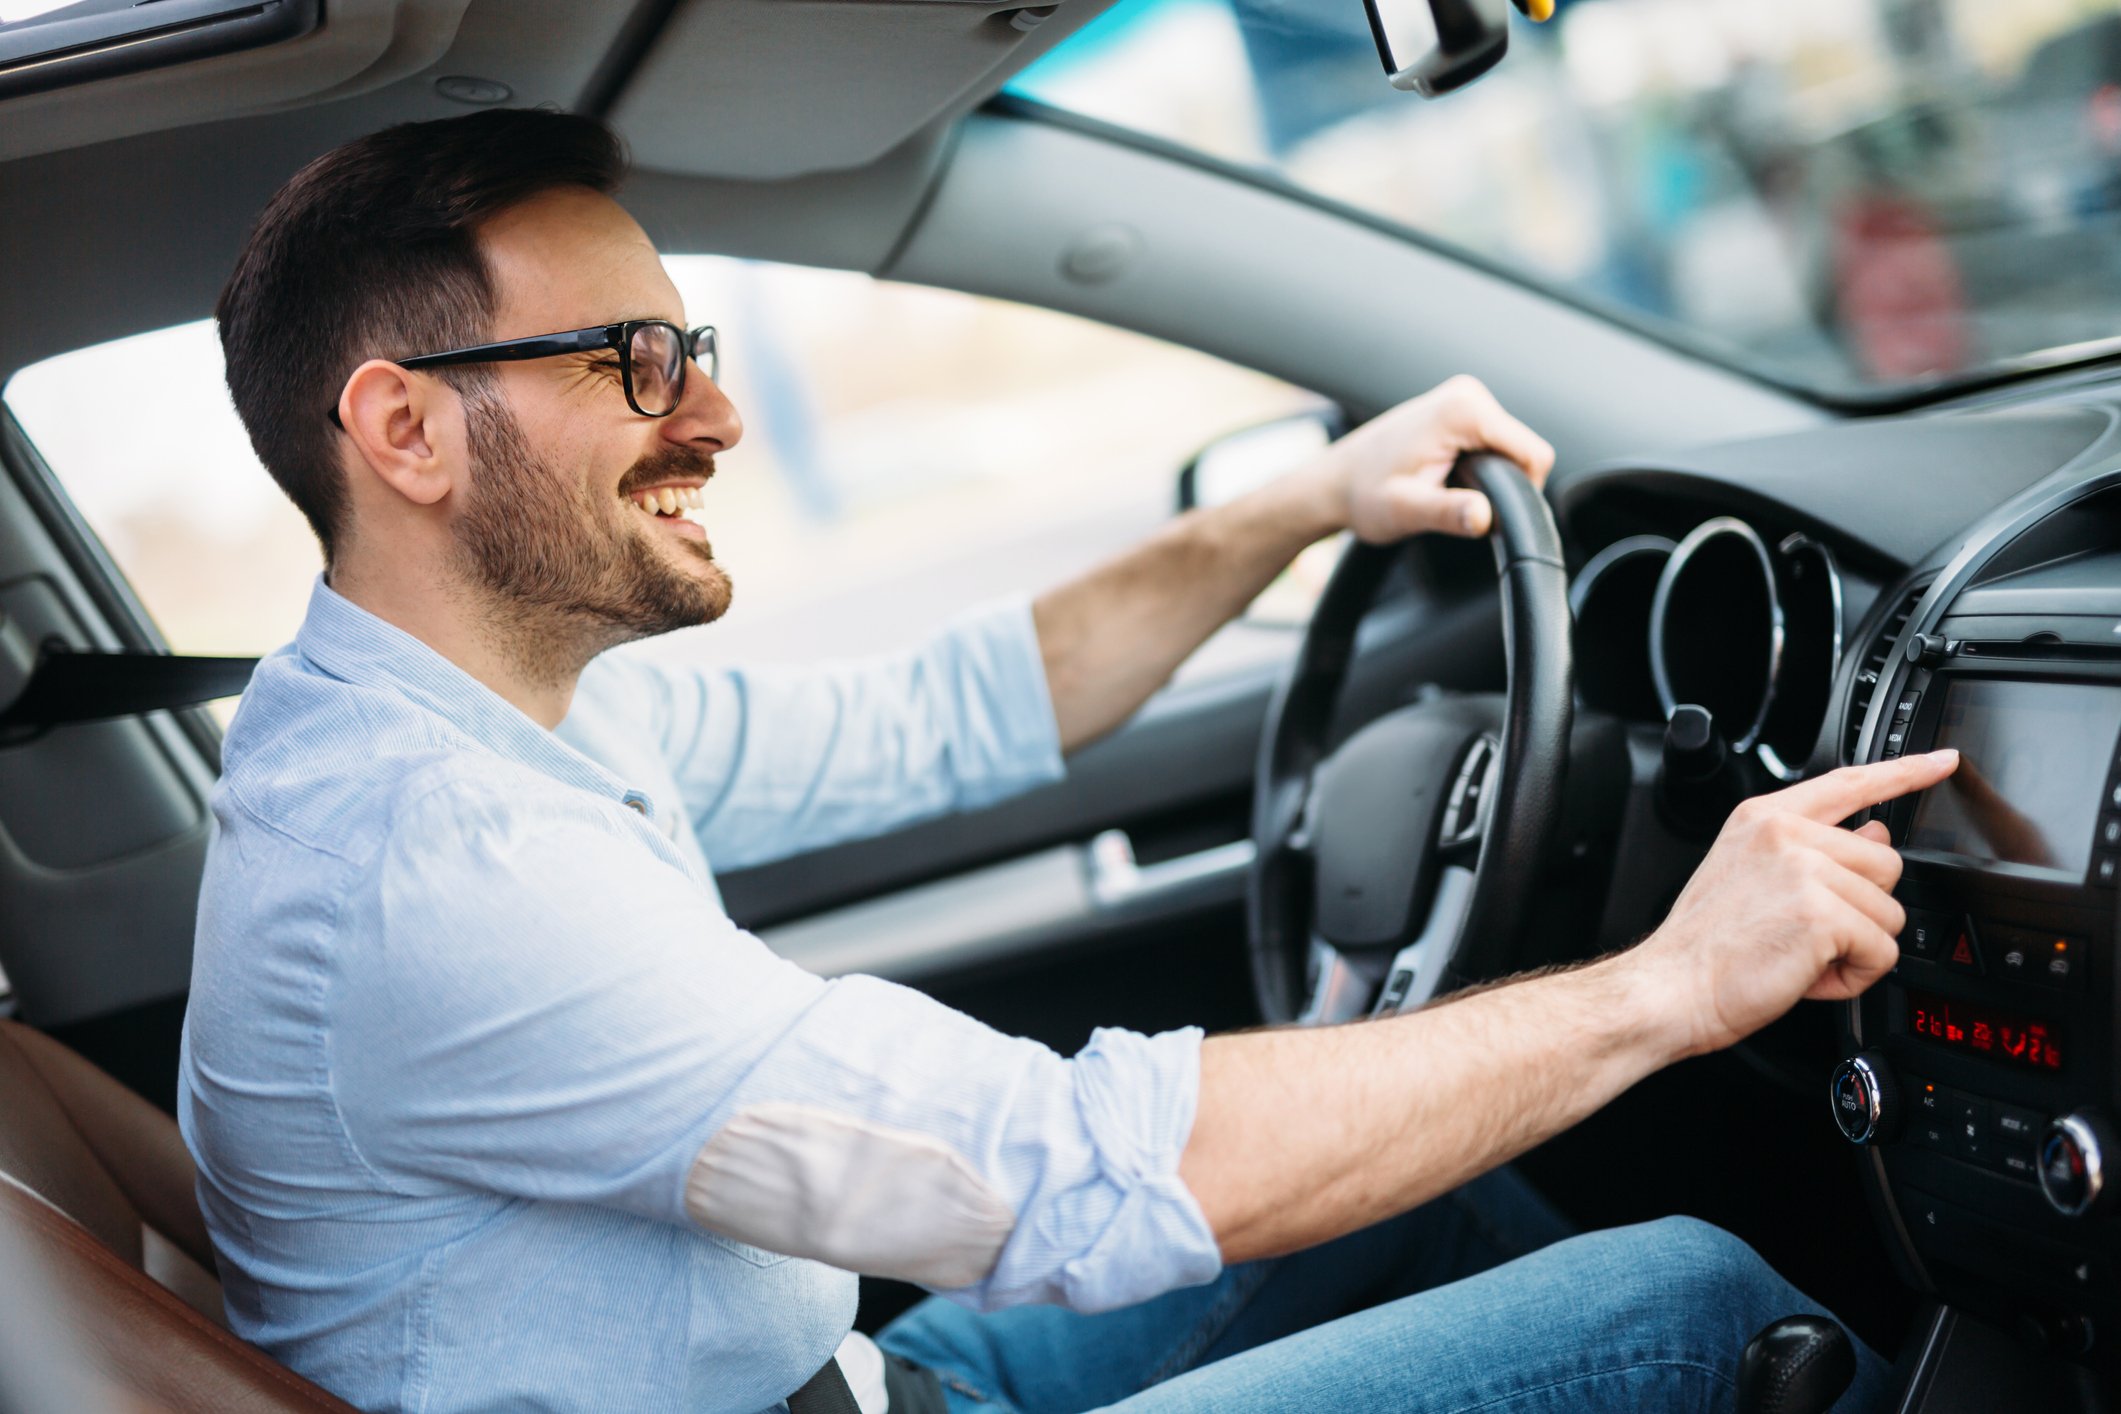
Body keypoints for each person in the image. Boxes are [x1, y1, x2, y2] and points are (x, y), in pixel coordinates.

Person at [182, 107, 1951, 1414]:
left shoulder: (487, 707)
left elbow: (958, 709)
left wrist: (1302, 504)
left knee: (1460, 1181)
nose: (708, 411)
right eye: (634, 362)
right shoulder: (435, 877)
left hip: (860, 1381)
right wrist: (1669, 982)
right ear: (404, 427)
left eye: (696, 349)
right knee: (1695, 1304)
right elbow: (1058, 1176)